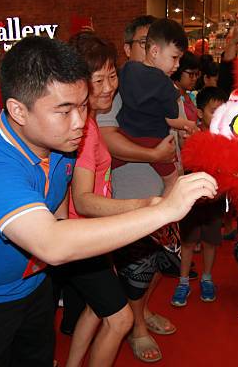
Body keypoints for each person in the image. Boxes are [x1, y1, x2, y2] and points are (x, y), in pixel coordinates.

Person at [0, 36, 217, 367]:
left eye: (83, 105)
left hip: (30, 286)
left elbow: (59, 214)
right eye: (64, 110)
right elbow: (52, 243)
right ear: (17, 109)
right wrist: (163, 210)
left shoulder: (59, 141)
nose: (80, 123)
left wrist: (145, 206)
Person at [98, 15, 182, 363]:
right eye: (145, 44)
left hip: (166, 190)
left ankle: (142, 312)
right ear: (131, 48)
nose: (151, 52)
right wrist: (154, 154)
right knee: (137, 266)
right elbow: (109, 140)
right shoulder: (116, 89)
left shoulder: (159, 82)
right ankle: (136, 328)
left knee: (161, 262)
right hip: (131, 194)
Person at [64, 32, 142, 367]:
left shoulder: (89, 124)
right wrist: (145, 207)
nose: (109, 86)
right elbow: (82, 201)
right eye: (98, 79)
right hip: (81, 239)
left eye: (112, 76)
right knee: (121, 319)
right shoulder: (84, 131)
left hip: (92, 239)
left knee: (98, 309)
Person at [115, 18, 197, 194]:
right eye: (174, 58)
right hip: (153, 142)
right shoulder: (165, 84)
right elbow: (171, 118)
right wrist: (187, 124)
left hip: (125, 136)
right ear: (154, 51)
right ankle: (167, 211)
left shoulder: (127, 69)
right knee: (172, 182)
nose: (177, 65)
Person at [171, 87, 228, 306]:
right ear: (200, 112)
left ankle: (206, 278)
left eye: (223, 111)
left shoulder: (227, 137)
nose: (219, 115)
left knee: (211, 241)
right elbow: (186, 162)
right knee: (188, 241)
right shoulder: (190, 134)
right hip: (191, 198)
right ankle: (183, 281)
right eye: (214, 110)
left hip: (215, 197)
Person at [171, 51, 200, 124]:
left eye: (196, 74)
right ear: (178, 70)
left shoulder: (192, 96)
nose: (194, 78)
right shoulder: (171, 97)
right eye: (191, 74)